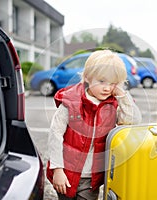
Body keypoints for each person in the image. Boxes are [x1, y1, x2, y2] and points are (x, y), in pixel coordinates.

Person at [46, 50, 142, 200]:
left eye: (113, 83)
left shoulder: (114, 104)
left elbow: (131, 122)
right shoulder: (70, 102)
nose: (107, 88)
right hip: (66, 172)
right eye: (102, 81)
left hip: (91, 179)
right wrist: (58, 169)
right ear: (87, 78)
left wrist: (122, 96)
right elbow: (55, 134)